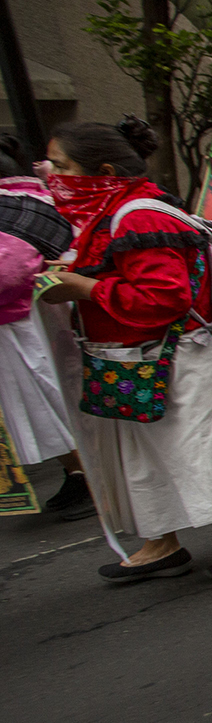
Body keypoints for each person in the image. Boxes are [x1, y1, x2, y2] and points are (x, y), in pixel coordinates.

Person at [40, 119, 212, 582]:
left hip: (177, 359)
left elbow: (164, 296)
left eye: (62, 166)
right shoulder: (108, 214)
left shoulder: (139, 216)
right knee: (144, 458)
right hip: (132, 361)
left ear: (104, 169)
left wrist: (85, 288)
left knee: (208, 450)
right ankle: (161, 541)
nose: (53, 177)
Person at [0, 173, 91, 518]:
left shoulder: (11, 209)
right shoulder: (31, 199)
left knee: (46, 400)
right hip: (38, 315)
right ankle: (78, 471)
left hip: (21, 326)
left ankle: (88, 475)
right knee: (52, 398)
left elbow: (7, 274)